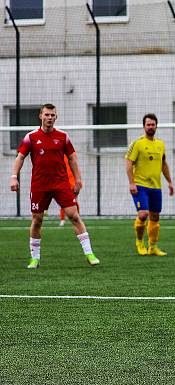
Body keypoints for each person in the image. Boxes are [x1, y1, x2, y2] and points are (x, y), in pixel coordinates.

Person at [9, 103, 99, 268]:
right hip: (39, 185)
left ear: (56, 117)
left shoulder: (63, 137)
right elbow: (20, 157)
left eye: (52, 115)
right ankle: (34, 258)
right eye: (47, 115)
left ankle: (89, 253)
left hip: (60, 184)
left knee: (74, 215)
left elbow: (72, 158)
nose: (49, 118)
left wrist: (78, 179)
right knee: (37, 220)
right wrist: (14, 177)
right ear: (40, 116)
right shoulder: (31, 137)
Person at [125, 113, 175, 256]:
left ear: (156, 126)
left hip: (156, 187)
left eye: (153, 124)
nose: (151, 127)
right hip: (140, 185)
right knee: (143, 214)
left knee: (155, 217)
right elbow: (129, 163)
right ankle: (139, 242)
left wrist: (170, 182)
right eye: (148, 124)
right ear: (144, 126)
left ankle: (153, 247)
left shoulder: (160, 144)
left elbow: (163, 164)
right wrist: (131, 183)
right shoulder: (137, 144)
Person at [59, 154, 78, 227]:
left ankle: (76, 217)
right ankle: (62, 219)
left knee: (73, 202)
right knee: (65, 203)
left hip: (72, 182)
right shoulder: (61, 155)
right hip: (64, 182)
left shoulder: (71, 155)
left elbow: (75, 167)